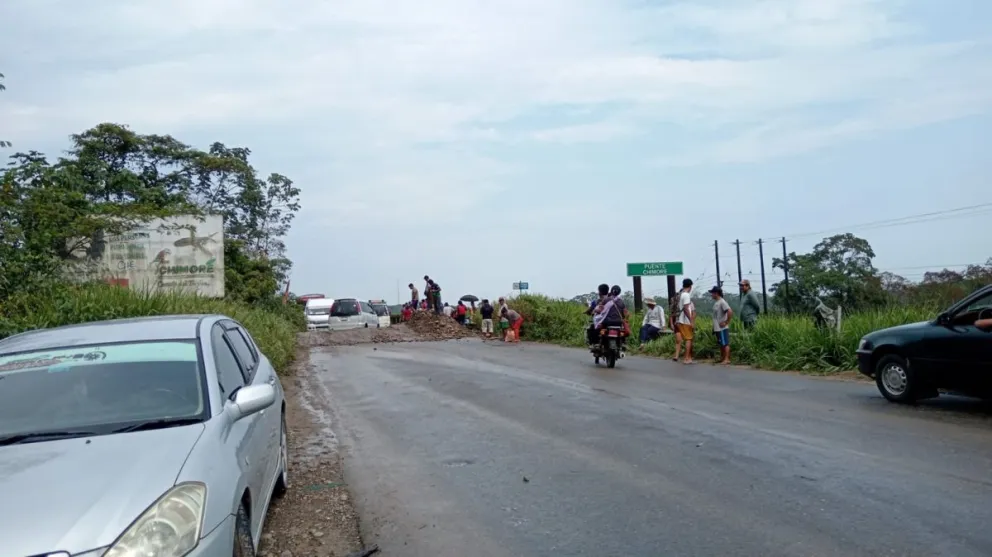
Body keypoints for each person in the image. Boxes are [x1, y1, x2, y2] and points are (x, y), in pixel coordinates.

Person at [673, 278, 696, 364]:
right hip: (685, 321)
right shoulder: (686, 295)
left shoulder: (679, 295)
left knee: (686, 339)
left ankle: (688, 358)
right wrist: (691, 320)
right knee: (688, 339)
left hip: (679, 320)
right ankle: (687, 358)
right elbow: (686, 309)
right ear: (690, 286)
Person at [710, 285, 733, 364]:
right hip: (717, 328)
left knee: (725, 343)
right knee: (721, 343)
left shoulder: (722, 302)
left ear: (716, 293)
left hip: (722, 327)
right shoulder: (717, 302)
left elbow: (730, 311)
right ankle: (722, 358)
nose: (711, 295)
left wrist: (726, 322)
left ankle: (727, 359)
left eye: (712, 293)